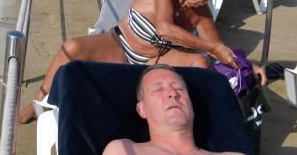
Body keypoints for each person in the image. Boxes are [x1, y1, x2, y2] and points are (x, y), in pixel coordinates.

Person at [18, 0, 239, 124]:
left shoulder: (200, 11)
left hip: (156, 58)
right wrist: (211, 47)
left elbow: (217, 48)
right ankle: (38, 102)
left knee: (200, 64)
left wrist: (244, 65)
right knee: (71, 47)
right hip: (119, 45)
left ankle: (189, 123)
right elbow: (165, 29)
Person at [102, 65, 246, 155]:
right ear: (142, 110)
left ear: (192, 108)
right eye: (159, 89)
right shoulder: (124, 150)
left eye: (179, 88)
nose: (173, 93)